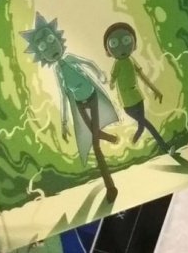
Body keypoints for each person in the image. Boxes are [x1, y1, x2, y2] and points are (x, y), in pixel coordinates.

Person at [21, 13, 120, 202]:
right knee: (94, 135)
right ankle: (106, 137)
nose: (50, 48)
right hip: (80, 105)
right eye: (43, 47)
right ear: (41, 55)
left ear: (58, 39)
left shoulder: (71, 58)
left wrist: (100, 74)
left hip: (91, 97)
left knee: (95, 145)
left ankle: (110, 187)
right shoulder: (58, 71)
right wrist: (65, 122)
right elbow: (64, 95)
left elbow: (89, 63)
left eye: (51, 40)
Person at [103, 22, 172, 154]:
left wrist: (155, 90)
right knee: (146, 124)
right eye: (114, 43)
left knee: (142, 125)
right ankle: (165, 147)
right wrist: (110, 84)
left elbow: (143, 77)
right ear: (108, 51)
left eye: (126, 40)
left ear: (134, 44)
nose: (122, 48)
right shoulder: (117, 64)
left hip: (138, 98)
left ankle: (133, 142)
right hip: (128, 104)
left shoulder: (131, 61)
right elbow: (113, 78)